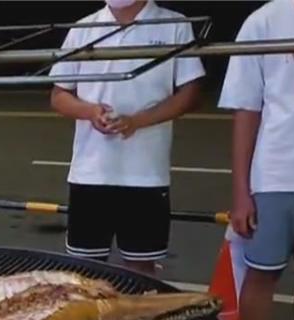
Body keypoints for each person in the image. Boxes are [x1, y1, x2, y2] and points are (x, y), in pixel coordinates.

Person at [49, 0, 204, 275]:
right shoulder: (83, 28)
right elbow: (59, 95)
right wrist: (90, 112)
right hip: (90, 173)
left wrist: (137, 121)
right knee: (84, 269)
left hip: (146, 174)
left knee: (141, 269)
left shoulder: (174, 25)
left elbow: (190, 94)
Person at [219, 0, 294, 320]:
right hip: (275, 174)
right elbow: (246, 110)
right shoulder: (264, 21)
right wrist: (242, 191)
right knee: (262, 273)